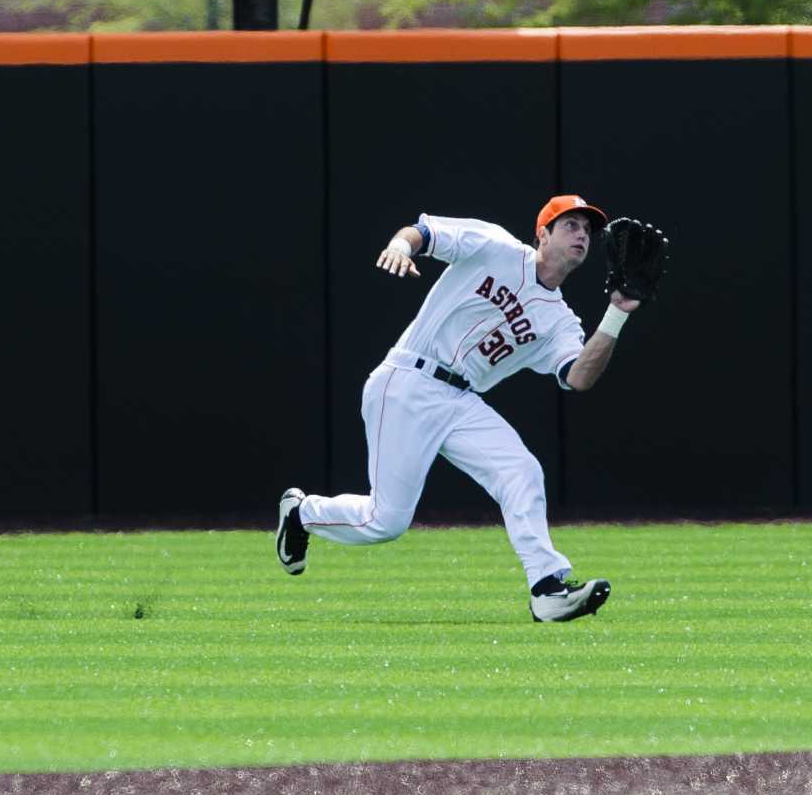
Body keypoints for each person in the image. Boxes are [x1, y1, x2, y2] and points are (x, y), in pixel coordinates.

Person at [275, 195, 644, 622]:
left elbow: (578, 376)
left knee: (520, 471)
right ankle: (303, 513)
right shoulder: (496, 245)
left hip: (461, 399)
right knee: (386, 522)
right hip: (408, 381)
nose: (582, 235)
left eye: (587, 230)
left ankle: (547, 589)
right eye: (570, 225)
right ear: (542, 234)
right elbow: (424, 232)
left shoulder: (560, 322)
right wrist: (400, 246)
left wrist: (617, 314)